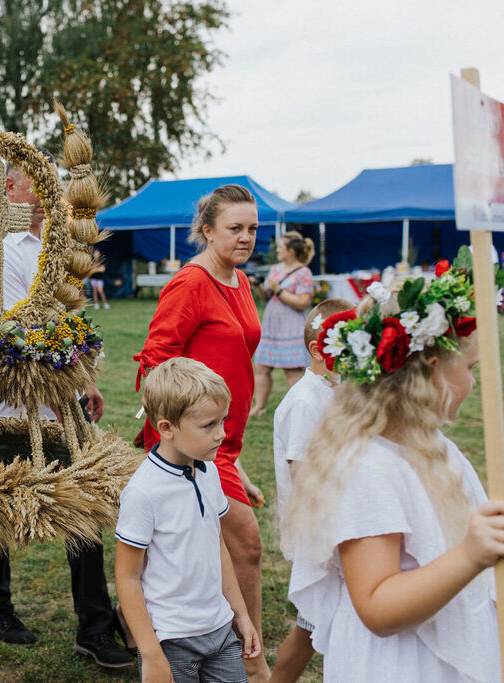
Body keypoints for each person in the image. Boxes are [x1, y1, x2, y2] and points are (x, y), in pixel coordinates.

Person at [281, 263, 504, 682]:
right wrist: (470, 554)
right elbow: (377, 605)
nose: (475, 383)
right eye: (471, 369)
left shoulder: (435, 448)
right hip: (402, 665)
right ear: (429, 368)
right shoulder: (366, 467)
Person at [0, 160, 127, 669]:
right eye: (42, 184)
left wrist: (86, 383)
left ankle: (95, 628)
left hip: (59, 393)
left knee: (82, 499)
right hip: (3, 401)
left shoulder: (56, 246)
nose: (52, 193)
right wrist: (63, 397)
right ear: (8, 188)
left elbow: (62, 322)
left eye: (54, 185)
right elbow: (19, 334)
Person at [132, 184, 269, 681]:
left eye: (253, 228)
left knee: (191, 546)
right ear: (207, 231)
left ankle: (209, 642)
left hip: (224, 443)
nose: (247, 236)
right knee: (246, 543)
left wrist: (236, 457)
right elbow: (156, 359)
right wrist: (176, 436)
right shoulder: (191, 282)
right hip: (192, 445)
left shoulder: (240, 280)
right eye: (235, 228)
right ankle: (253, 664)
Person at [116, 357, 261, 682]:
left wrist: (240, 613)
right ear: (166, 428)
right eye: (209, 425)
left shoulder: (208, 471)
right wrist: (151, 653)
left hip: (221, 630)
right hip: (172, 639)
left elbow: (217, 545)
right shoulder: (143, 492)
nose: (221, 434)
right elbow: (127, 578)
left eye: (223, 421)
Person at [269, 297, 353, 683]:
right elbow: (304, 477)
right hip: (321, 530)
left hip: (339, 520)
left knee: (325, 625)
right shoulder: (305, 401)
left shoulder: (335, 389)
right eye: (347, 343)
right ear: (319, 349)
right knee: (310, 627)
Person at [249, 231, 315, 417]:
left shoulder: (304, 272)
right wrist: (258, 286)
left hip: (291, 326)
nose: (277, 250)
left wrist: (278, 290)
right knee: (261, 367)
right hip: (272, 326)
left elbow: (303, 302)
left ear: (291, 251)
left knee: (292, 371)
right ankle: (259, 406)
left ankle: (296, 409)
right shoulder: (276, 269)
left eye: (281, 247)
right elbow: (266, 297)